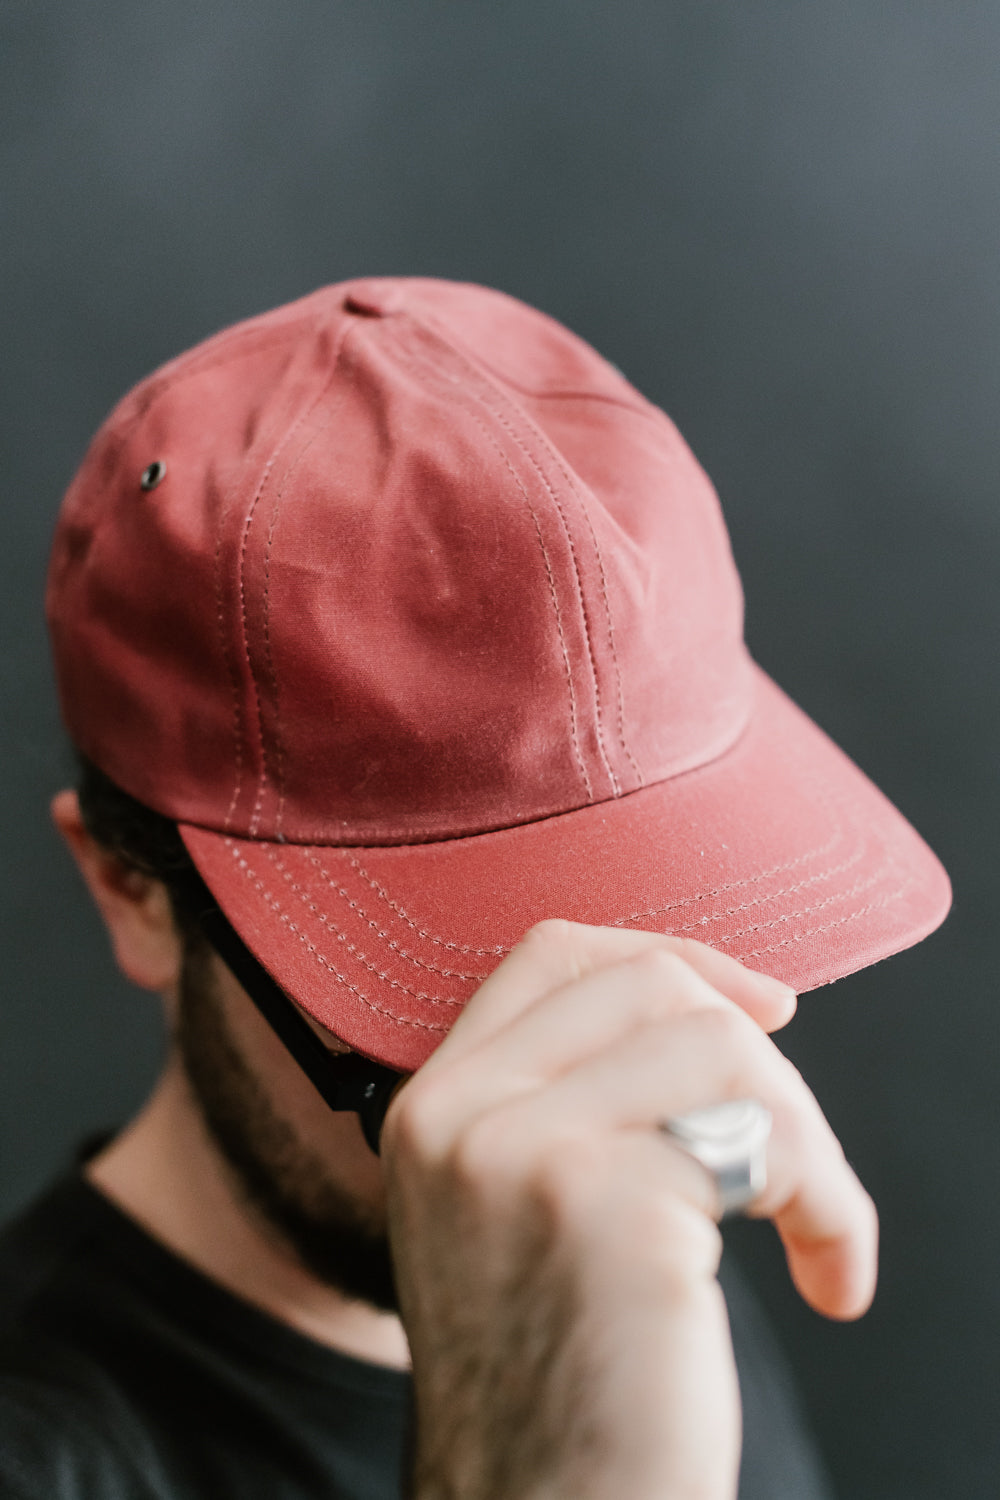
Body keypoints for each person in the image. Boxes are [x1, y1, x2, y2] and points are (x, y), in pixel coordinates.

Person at [1, 277, 950, 1500]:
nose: (593, 1043)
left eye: (676, 908)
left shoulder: (639, 1219)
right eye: (461, 963)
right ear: (129, 890)